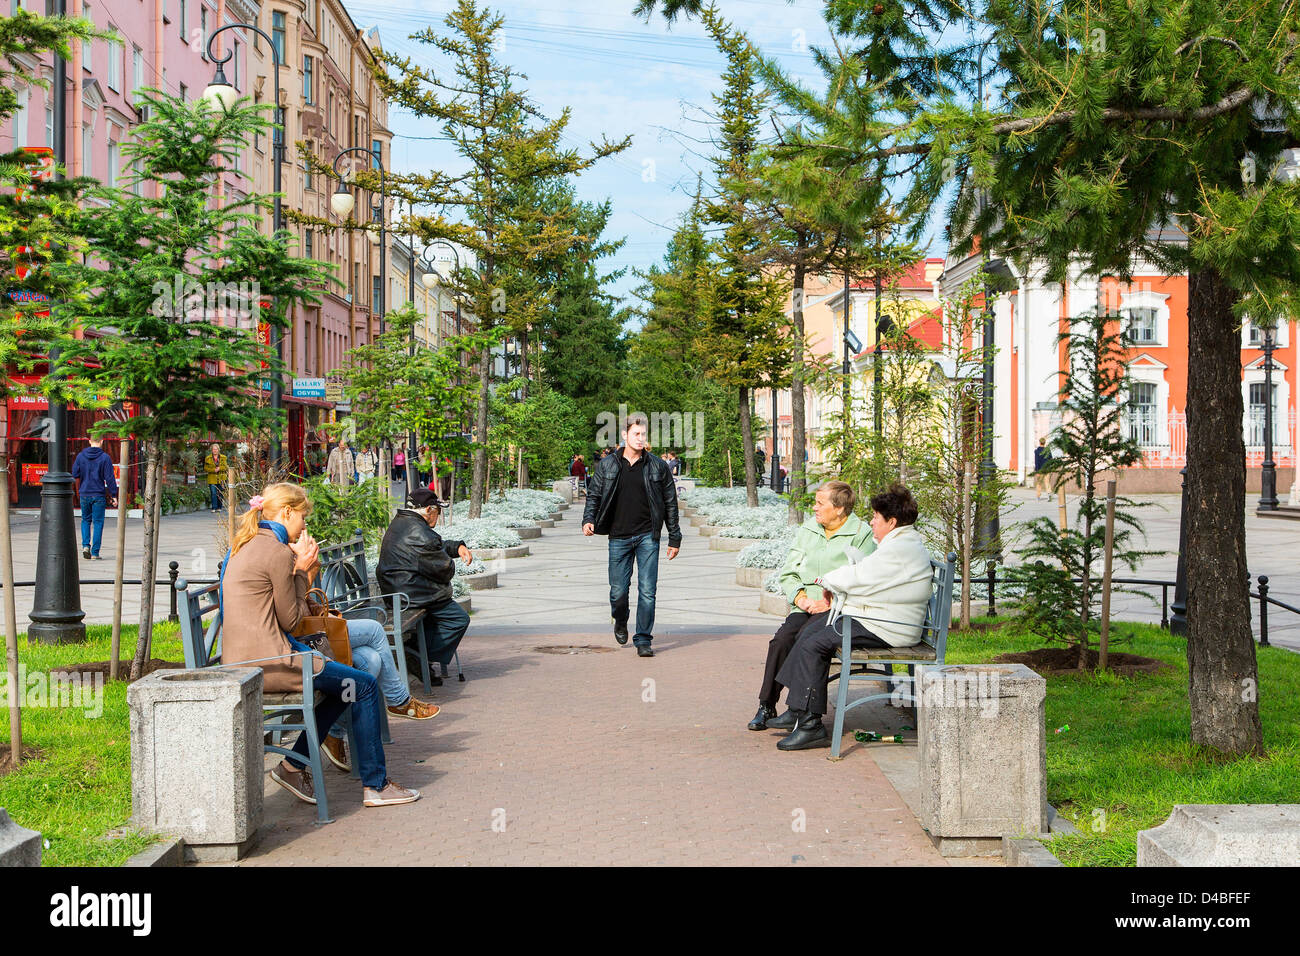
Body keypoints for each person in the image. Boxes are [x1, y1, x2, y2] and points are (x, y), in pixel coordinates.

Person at [220, 482, 420, 807]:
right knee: (364, 685)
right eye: (302, 517)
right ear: (286, 512)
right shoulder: (278, 552)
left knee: (349, 683)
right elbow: (292, 621)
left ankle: (293, 765)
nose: (304, 525)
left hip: (241, 661)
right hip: (271, 662)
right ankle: (376, 786)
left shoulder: (245, 543)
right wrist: (304, 574)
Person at [771, 483, 935, 751]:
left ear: (891, 521)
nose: (870, 522)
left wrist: (827, 582)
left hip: (889, 627)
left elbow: (860, 576)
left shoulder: (899, 548)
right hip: (881, 619)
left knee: (815, 642)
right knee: (809, 632)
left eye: (875, 517)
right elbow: (868, 574)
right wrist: (835, 586)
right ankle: (798, 709)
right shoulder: (901, 542)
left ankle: (810, 725)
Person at [747, 481, 875, 731]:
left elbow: (863, 578)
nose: (814, 508)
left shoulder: (861, 534)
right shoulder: (809, 529)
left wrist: (830, 600)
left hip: (836, 608)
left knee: (809, 640)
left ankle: (800, 710)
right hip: (805, 605)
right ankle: (767, 705)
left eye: (820, 503)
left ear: (839, 509)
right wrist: (801, 598)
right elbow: (788, 572)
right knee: (782, 640)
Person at [582, 414, 682, 657]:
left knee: (648, 590)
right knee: (618, 591)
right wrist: (588, 519)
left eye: (644, 434)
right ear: (625, 435)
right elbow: (594, 494)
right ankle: (620, 618)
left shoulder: (657, 465)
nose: (641, 439)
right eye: (636, 434)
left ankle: (643, 639)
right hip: (618, 536)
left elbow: (670, 502)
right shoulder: (608, 464)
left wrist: (674, 537)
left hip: (648, 536)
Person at [377, 488, 473, 686]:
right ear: (429, 510)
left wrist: (457, 547)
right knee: (458, 619)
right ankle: (416, 654)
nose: (439, 515)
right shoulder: (419, 532)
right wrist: (450, 560)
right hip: (413, 595)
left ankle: (417, 654)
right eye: (438, 510)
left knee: (441, 617)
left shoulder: (404, 522)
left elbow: (434, 545)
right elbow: (444, 569)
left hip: (400, 590)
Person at [71, 437, 118, 561]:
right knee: (98, 523)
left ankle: (86, 546)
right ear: (102, 441)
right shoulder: (105, 457)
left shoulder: (81, 456)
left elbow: (75, 473)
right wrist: (113, 495)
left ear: (89, 441)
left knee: (85, 520)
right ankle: (95, 553)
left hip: (84, 493)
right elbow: (110, 478)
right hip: (98, 494)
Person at [203, 443, 228, 512]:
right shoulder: (208, 458)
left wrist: (220, 468)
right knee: (213, 493)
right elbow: (205, 468)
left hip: (221, 478)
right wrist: (213, 470)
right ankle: (214, 507)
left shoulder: (223, 457)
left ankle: (219, 507)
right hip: (212, 478)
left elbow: (226, 467)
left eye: (216, 449)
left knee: (220, 493)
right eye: (213, 449)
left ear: (218, 450)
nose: (215, 450)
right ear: (212, 450)